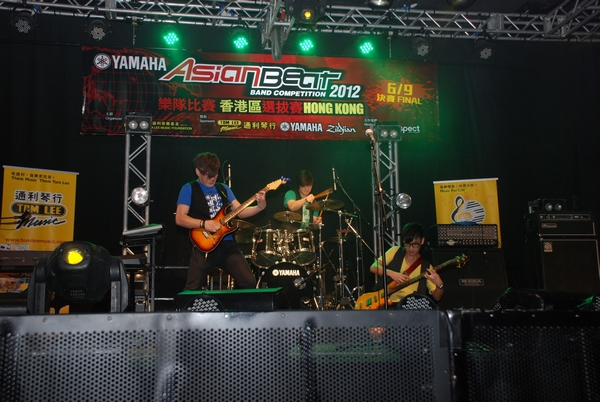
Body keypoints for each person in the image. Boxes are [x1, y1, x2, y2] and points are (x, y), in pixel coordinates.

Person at [175, 152, 266, 290]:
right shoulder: (189, 188)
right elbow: (180, 218)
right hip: (204, 245)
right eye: (208, 175)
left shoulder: (223, 188)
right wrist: (203, 223)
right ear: (198, 172)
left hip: (227, 245)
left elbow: (240, 213)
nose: (212, 178)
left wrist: (260, 207)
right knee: (192, 288)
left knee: (250, 283)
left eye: (215, 174)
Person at [369, 222, 444, 305]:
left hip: (409, 307)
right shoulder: (395, 251)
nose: (411, 248)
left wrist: (439, 284)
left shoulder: (427, 267)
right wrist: (392, 274)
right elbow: (373, 267)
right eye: (408, 244)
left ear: (422, 241)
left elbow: (437, 297)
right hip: (386, 304)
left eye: (415, 244)